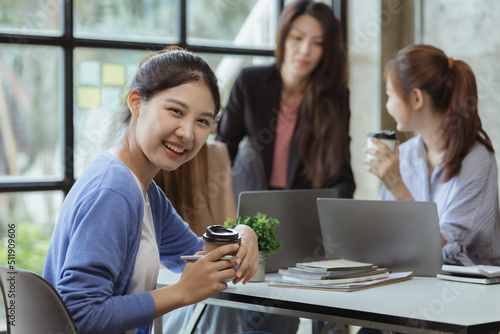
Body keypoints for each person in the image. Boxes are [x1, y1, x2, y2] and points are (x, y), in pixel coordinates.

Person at [43, 46, 259, 334]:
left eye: (203, 121)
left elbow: (197, 255)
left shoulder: (144, 191)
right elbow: (80, 315)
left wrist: (243, 234)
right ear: (136, 103)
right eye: (175, 111)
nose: (187, 133)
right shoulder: (113, 191)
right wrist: (181, 292)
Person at [364, 44, 500, 266]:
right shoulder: (405, 155)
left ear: (416, 99)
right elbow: (388, 236)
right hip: (411, 279)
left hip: (465, 289)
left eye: (390, 94)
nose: (388, 106)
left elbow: (442, 251)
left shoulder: (477, 161)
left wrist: (396, 186)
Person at [216, 0, 355, 199]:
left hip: (303, 206)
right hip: (249, 199)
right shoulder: (250, 82)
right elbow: (224, 148)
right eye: (297, 38)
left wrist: (337, 216)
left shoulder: (335, 96)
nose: (305, 50)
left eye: (318, 43)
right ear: (282, 37)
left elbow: (340, 171)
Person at [153, 141, 237, 237]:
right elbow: (231, 224)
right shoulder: (218, 152)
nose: (187, 134)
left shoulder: (218, 152)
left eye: (204, 124)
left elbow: (231, 225)